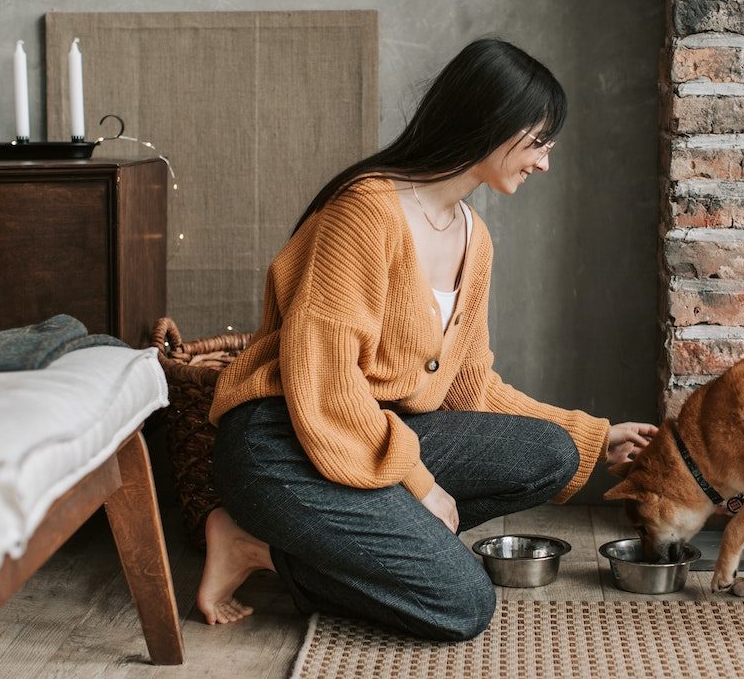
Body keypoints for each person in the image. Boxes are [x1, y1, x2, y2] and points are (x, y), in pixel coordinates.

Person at [195, 37, 657, 641]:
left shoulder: (475, 237)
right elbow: (328, 386)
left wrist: (594, 436)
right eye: (539, 141)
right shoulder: (364, 212)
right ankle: (256, 541)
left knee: (554, 454)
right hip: (283, 442)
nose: (544, 162)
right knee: (463, 603)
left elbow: (471, 387)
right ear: (493, 124)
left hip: (371, 433)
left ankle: (313, 547)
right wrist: (420, 482)